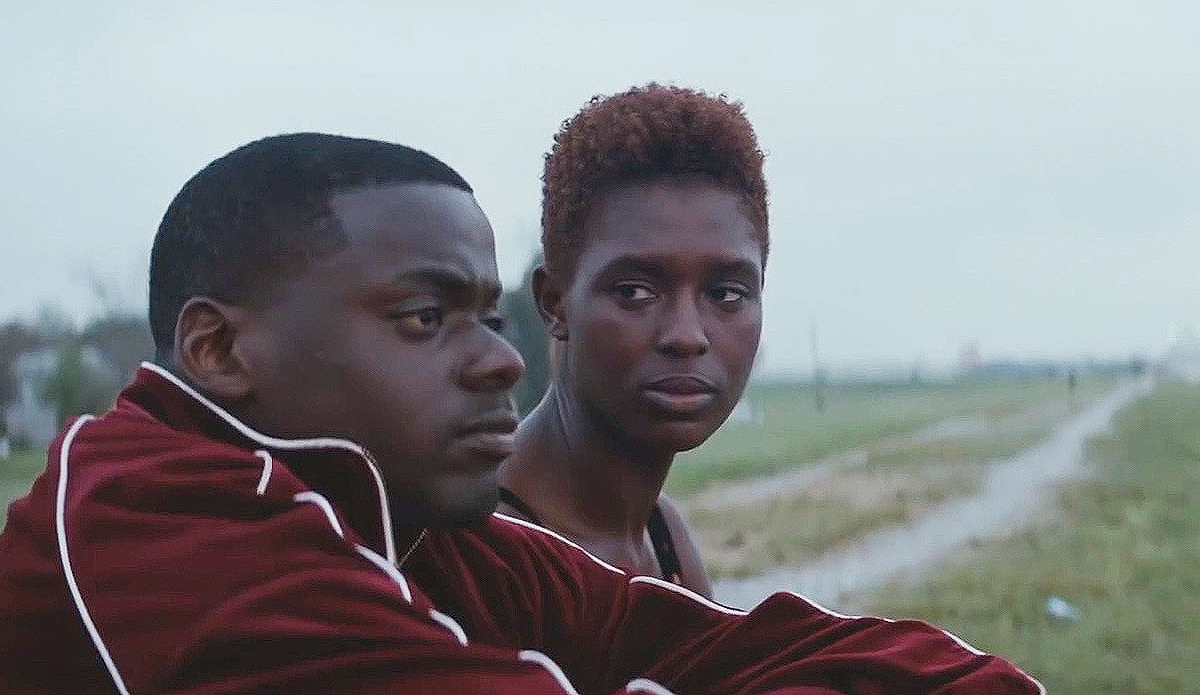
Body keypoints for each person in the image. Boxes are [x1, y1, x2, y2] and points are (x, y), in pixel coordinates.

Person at [0, 133, 1043, 694]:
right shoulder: (149, 516)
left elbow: (720, 647)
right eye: (425, 318)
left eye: (485, 318)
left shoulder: (422, 530)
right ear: (220, 351)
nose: (502, 361)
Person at [498, 84, 768, 596]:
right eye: (635, 292)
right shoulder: (483, 551)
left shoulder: (663, 535)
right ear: (554, 302)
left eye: (726, 294)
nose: (687, 336)